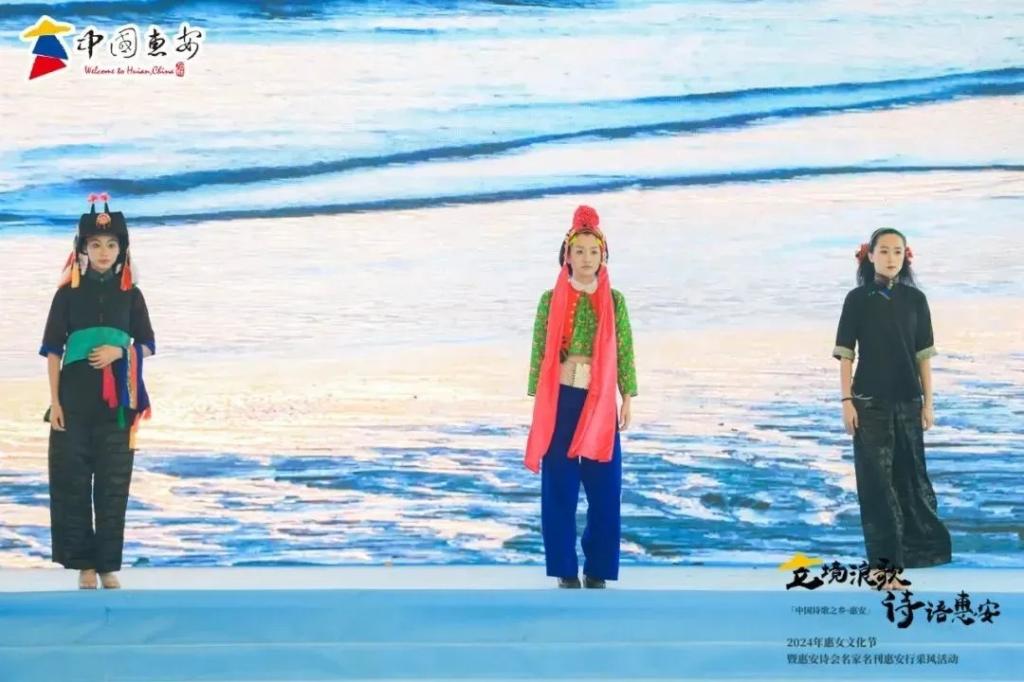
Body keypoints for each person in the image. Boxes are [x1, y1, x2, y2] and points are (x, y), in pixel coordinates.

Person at [40, 193, 155, 590]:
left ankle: (107, 566)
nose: (104, 252)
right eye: (96, 244)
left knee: (112, 485)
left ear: (122, 250)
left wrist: (119, 351)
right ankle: (84, 566)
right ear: (83, 249)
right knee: (72, 483)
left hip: (119, 405)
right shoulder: (67, 294)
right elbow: (52, 351)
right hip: (72, 402)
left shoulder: (131, 294)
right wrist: (55, 403)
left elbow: (147, 344)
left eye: (111, 245)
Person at [525, 204, 637, 589]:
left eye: (594, 251)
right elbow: (539, 349)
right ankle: (564, 570)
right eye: (579, 251)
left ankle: (598, 569)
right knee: (559, 487)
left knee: (605, 487)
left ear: (604, 256)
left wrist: (627, 395)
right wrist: (538, 400)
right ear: (567, 256)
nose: (587, 258)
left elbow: (624, 349)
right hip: (561, 399)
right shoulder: (549, 299)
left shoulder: (615, 300)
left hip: (600, 400)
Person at [833, 227, 952, 586]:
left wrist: (928, 403)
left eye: (897, 251)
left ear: (906, 256)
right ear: (870, 256)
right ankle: (883, 570)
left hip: (908, 402)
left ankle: (912, 557)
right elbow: (846, 356)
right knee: (877, 486)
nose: (890, 258)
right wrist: (846, 402)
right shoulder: (857, 299)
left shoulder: (916, 300)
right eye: (883, 251)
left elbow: (923, 358)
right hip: (868, 403)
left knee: (910, 481)